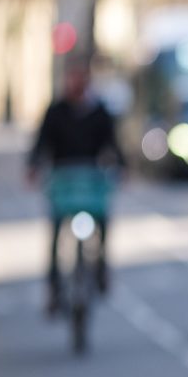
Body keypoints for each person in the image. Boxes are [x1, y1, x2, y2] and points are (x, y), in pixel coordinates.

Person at [26, 62, 125, 312]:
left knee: (102, 221)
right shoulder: (56, 111)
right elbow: (41, 142)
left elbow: (112, 143)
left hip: (91, 180)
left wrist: (122, 165)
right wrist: (34, 165)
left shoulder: (100, 112)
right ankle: (54, 286)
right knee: (56, 230)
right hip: (63, 180)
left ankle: (101, 267)